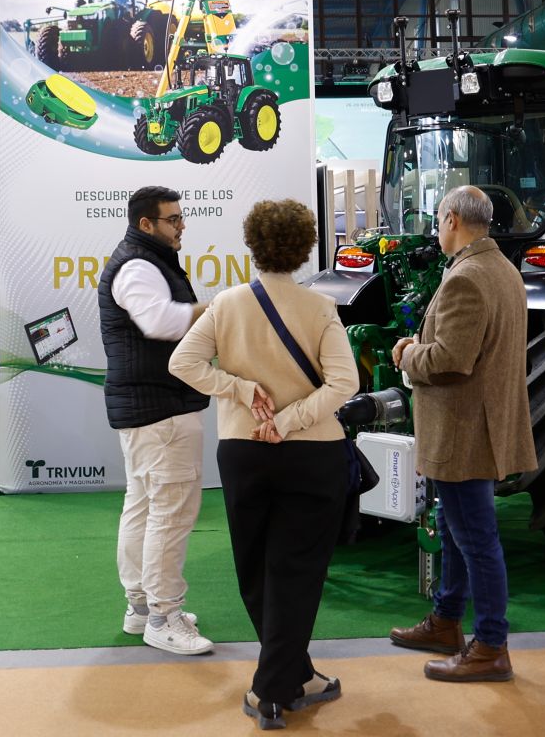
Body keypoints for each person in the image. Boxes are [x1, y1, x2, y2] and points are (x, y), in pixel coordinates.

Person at [170, 199, 356, 728]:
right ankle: (273, 687)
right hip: (312, 452)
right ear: (304, 249)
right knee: (298, 570)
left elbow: (181, 362)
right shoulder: (320, 308)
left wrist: (239, 388)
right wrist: (292, 418)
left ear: (252, 244)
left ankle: (294, 677)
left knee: (255, 566)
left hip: (243, 450)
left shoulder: (226, 304)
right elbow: (346, 383)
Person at [386, 185, 537, 684]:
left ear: (452, 219)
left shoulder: (467, 278)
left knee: (476, 540)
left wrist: (407, 354)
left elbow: (451, 359)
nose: (436, 227)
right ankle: (446, 622)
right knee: (455, 531)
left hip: (463, 432)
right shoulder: (504, 270)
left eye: (438, 219)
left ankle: (491, 645)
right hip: (477, 427)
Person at [102, 185, 213, 657]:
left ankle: (143, 608)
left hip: (154, 408)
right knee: (169, 511)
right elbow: (160, 323)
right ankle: (163, 616)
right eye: (173, 219)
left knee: (147, 506)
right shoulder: (138, 264)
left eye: (181, 217)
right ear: (146, 224)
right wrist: (222, 310)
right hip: (160, 409)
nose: (181, 224)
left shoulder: (145, 260)